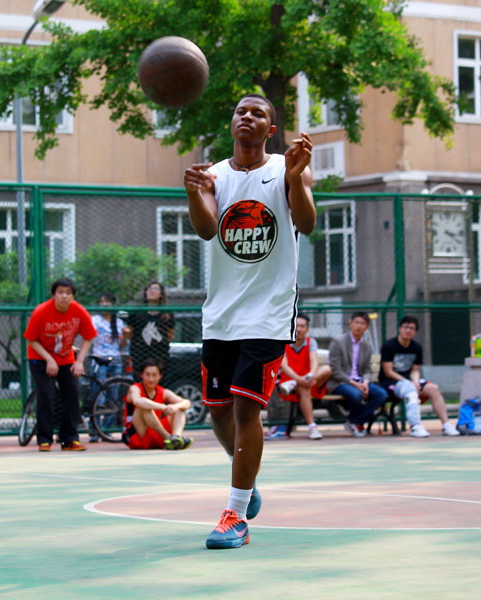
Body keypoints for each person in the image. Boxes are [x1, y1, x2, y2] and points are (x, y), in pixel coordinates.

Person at [183, 93, 316, 549]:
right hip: (221, 312)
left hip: (269, 311)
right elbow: (205, 229)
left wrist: (296, 179)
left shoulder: (285, 167)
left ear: (270, 129)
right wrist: (193, 193)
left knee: (245, 409)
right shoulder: (214, 174)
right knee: (217, 410)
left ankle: (235, 515)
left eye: (258, 113)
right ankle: (248, 478)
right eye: (241, 111)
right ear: (232, 122)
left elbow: (307, 221)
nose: (247, 117)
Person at [24, 278, 97, 452]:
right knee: (46, 395)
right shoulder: (41, 312)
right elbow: (31, 339)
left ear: (72, 296)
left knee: (72, 393)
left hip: (66, 359)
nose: (64, 296)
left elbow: (88, 337)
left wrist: (79, 362)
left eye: (68, 293)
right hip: (40, 358)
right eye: (60, 293)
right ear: (54, 295)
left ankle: (69, 440)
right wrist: (49, 359)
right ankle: (44, 439)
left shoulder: (79, 311)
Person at [379, 315, 460, 437]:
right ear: (400, 329)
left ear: (415, 332)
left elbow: (415, 370)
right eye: (405, 327)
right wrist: (408, 382)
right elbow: (388, 372)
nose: (408, 330)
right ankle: (415, 426)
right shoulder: (389, 346)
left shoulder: (417, 348)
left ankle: (446, 425)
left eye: (412, 328)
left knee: (433, 388)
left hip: (409, 381)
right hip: (390, 382)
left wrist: (415, 381)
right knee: (410, 391)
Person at [327, 312, 388, 438]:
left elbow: (367, 369)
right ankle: (357, 423)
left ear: (367, 327)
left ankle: (355, 421)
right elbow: (335, 370)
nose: (359, 326)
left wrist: (365, 382)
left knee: (381, 394)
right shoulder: (338, 342)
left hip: (360, 382)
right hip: (340, 382)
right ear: (350, 324)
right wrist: (355, 384)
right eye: (357, 323)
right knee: (356, 394)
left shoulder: (367, 345)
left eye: (363, 324)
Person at [275, 314, 332, 440]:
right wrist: (298, 379)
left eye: (302, 326)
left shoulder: (311, 342)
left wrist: (310, 375)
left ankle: (312, 427)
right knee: (303, 388)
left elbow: (314, 361)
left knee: (327, 369)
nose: (299, 329)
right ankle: (312, 427)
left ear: (307, 329)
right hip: (289, 382)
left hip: (308, 381)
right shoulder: (283, 342)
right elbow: (284, 367)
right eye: (297, 326)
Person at [123, 359, 193, 450]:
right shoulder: (135, 388)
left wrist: (175, 407)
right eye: (147, 375)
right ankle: (169, 438)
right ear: (141, 375)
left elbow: (187, 402)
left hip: (157, 435)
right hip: (137, 436)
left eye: (154, 375)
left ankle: (176, 438)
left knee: (180, 408)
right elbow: (137, 401)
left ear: (160, 376)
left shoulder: (163, 391)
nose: (150, 379)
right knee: (143, 407)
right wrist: (162, 407)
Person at [89, 293, 131, 442]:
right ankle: (95, 430)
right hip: (99, 361)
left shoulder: (118, 323)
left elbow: (122, 346)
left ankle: (106, 430)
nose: (104, 304)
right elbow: (89, 336)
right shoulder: (95, 320)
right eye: (101, 301)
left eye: (107, 302)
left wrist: (126, 337)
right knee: (97, 396)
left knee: (112, 397)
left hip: (116, 361)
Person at [127, 282, 174, 379]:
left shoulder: (167, 314)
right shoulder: (137, 312)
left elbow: (170, 335)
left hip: (160, 357)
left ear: (161, 293)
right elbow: (130, 333)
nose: (151, 291)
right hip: (140, 356)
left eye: (155, 289)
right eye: (149, 289)